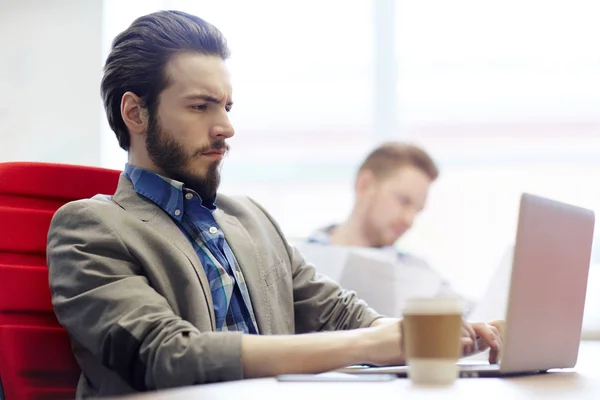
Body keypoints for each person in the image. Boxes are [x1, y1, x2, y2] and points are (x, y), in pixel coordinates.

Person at [46, 10, 502, 398]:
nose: (226, 126)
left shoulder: (252, 219)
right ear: (135, 113)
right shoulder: (89, 228)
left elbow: (341, 315)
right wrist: (368, 345)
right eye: (201, 106)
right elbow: (165, 357)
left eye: (226, 106)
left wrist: (438, 337)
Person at [307, 142, 474, 312]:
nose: (409, 220)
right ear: (365, 185)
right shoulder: (297, 260)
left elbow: (472, 314)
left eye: (417, 210)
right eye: (403, 201)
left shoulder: (418, 274)